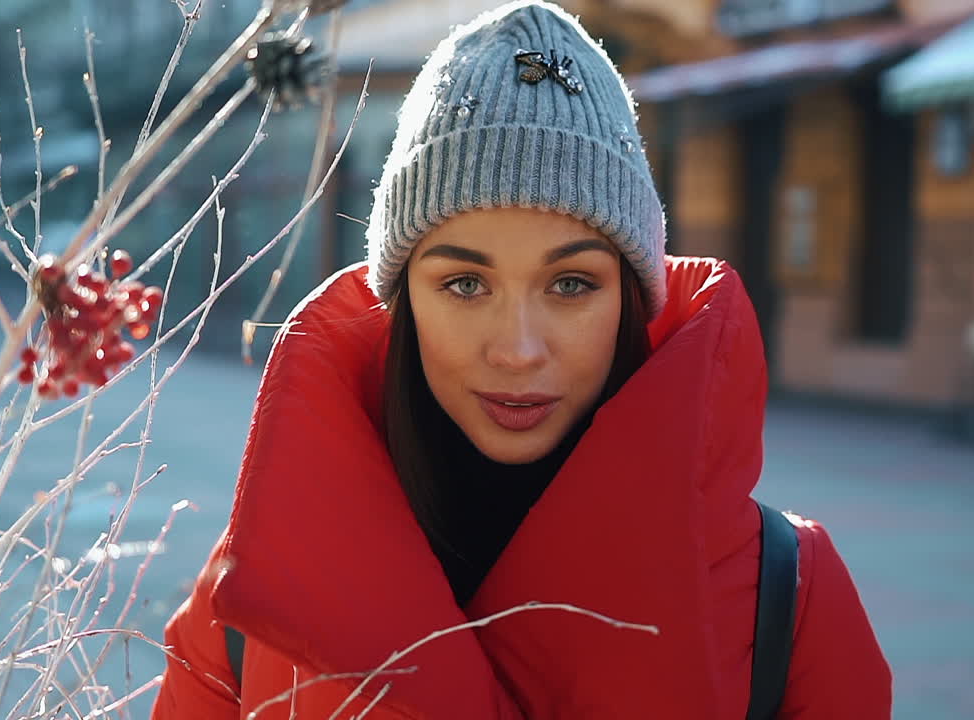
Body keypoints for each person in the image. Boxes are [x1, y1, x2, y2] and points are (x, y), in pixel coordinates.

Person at [150, 2, 891, 717]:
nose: (517, 349)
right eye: (464, 284)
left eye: (572, 284)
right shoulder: (266, 590)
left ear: (632, 299)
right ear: (402, 300)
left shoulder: (785, 596)